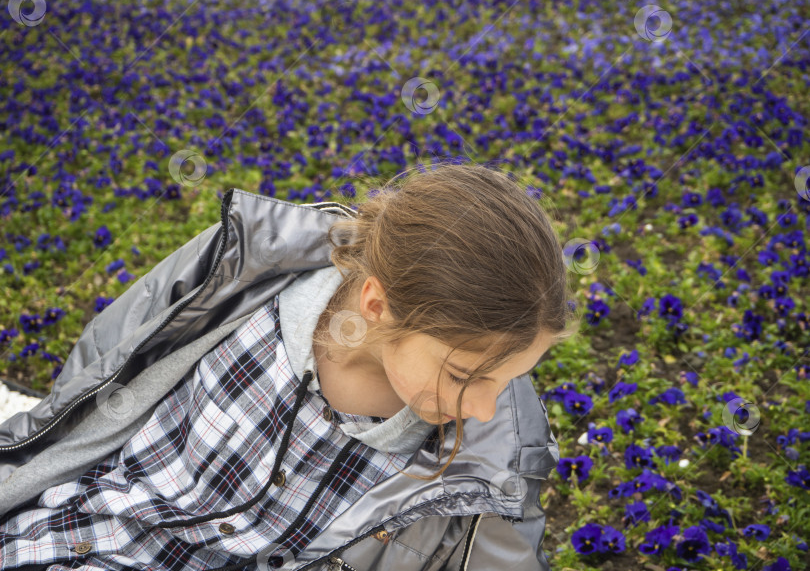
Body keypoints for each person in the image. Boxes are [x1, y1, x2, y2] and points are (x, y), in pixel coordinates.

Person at [0, 162, 578, 570]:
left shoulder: (486, 459)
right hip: (79, 536)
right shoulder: (249, 279)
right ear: (377, 305)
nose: (483, 407)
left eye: (507, 380)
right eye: (464, 377)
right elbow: (107, 361)